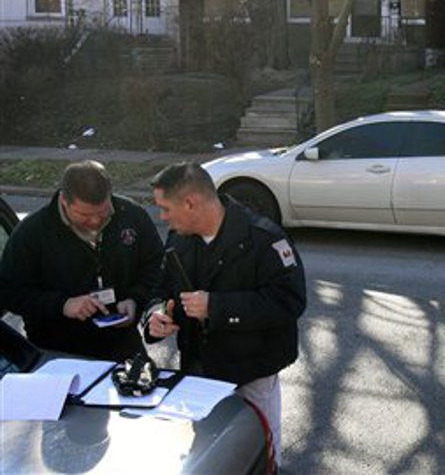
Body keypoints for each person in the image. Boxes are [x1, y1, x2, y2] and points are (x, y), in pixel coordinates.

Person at [144, 162, 306, 466]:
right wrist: (153, 315)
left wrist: (217, 307)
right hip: (198, 372)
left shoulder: (264, 239)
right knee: (208, 457)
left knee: (258, 460)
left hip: (251, 375)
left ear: (190, 203)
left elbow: (290, 301)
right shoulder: (178, 239)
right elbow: (159, 289)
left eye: (165, 208)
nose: (162, 217)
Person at [0, 160, 163, 360]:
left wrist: (135, 298)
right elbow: (10, 292)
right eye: (84, 215)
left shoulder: (131, 215)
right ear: (64, 201)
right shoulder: (32, 232)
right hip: (58, 351)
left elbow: (155, 265)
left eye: (103, 213)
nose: (94, 221)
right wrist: (62, 305)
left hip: (124, 345)